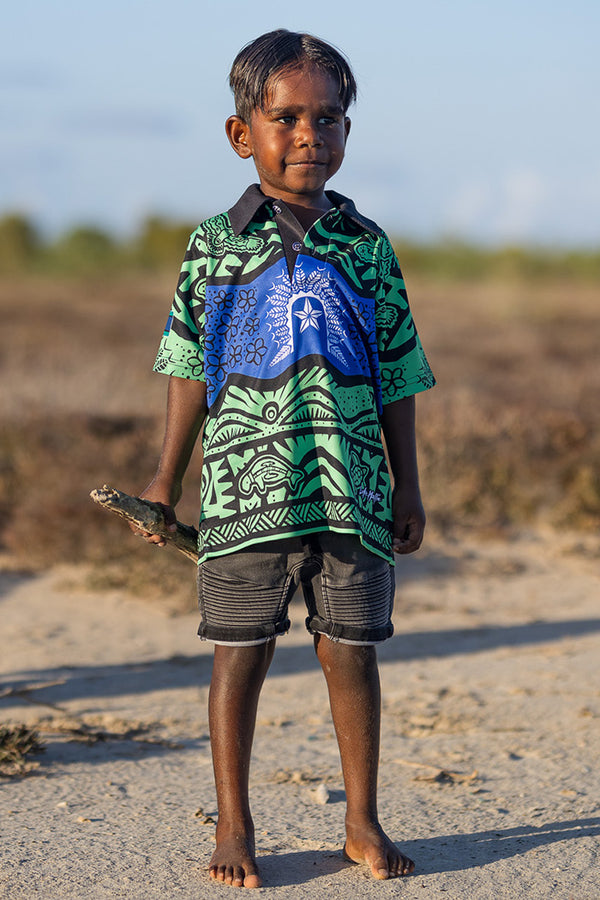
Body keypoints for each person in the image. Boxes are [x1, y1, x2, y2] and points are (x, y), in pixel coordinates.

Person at [134, 29, 435, 889]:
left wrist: (407, 482)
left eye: (330, 118)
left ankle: (362, 821)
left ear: (348, 133)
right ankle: (235, 824)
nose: (311, 135)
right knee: (240, 652)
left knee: (353, 650)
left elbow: (398, 371)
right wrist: (165, 479)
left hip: (353, 492)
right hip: (241, 490)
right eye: (289, 117)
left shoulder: (367, 245)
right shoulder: (211, 246)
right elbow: (187, 366)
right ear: (243, 135)